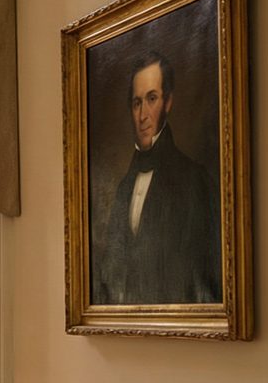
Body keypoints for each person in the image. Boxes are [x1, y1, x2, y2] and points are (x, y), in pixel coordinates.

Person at [93, 50, 220, 305]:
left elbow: (204, 282)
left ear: (168, 102)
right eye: (136, 102)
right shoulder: (123, 188)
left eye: (152, 99)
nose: (142, 116)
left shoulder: (194, 181)